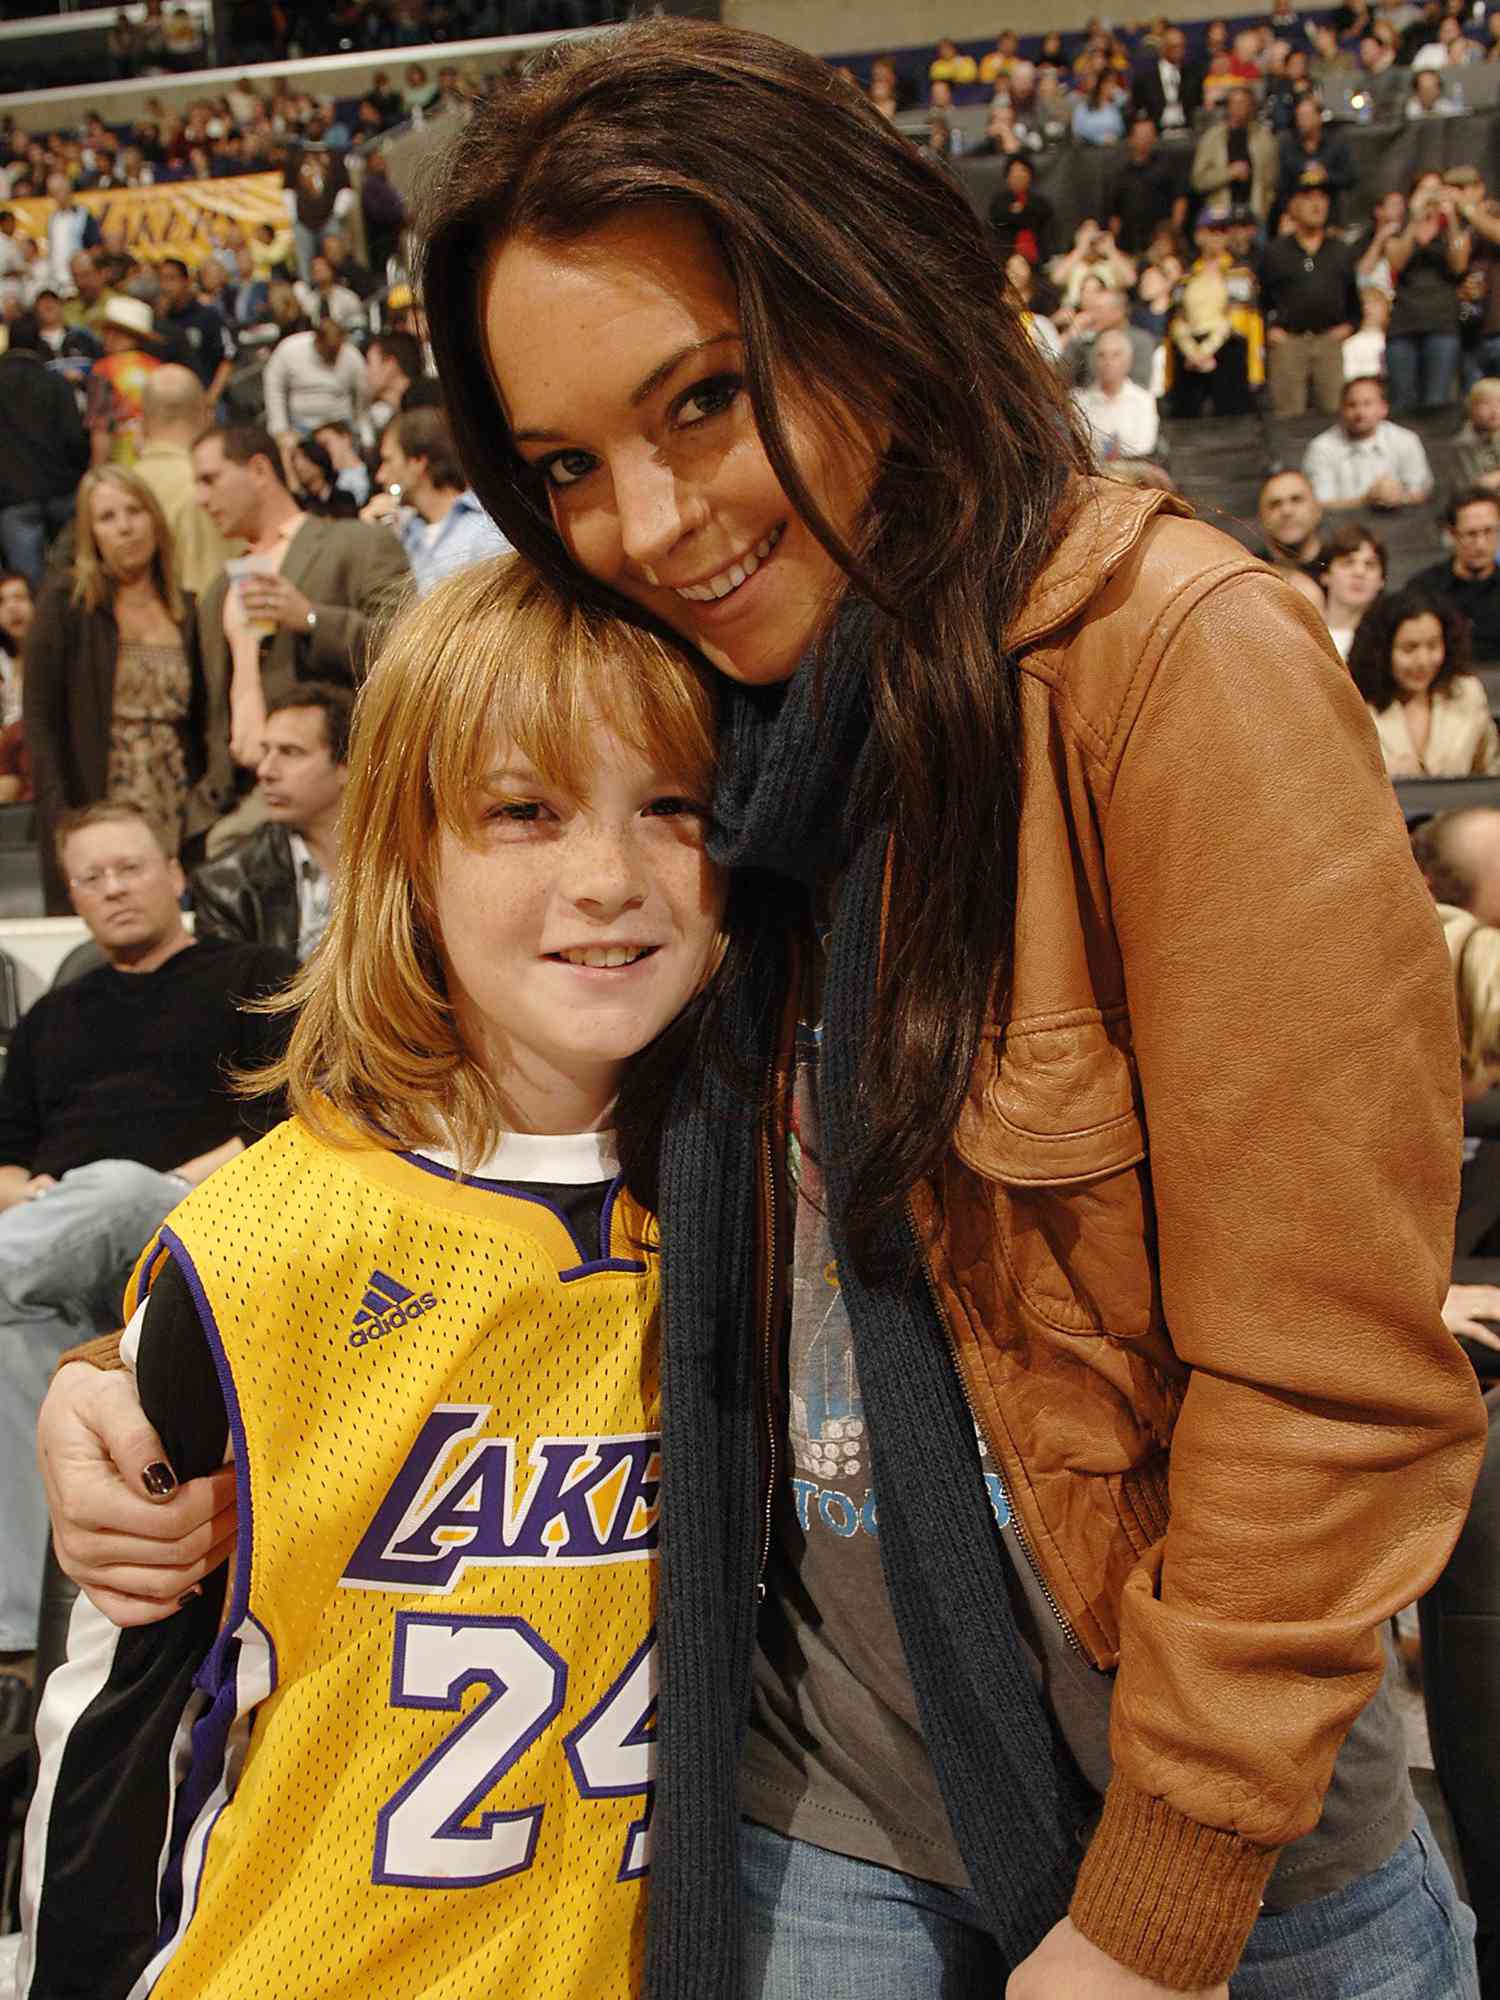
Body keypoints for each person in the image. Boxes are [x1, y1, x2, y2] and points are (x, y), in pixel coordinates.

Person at [41, 22, 1486, 2000]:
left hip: (1214, 1860)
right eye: (564, 466)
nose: (650, 519)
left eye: (704, 401)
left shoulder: (1172, 669)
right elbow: (466, 1163)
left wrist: (1155, 1914)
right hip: (805, 1807)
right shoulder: (706, 686)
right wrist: (138, 1380)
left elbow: (1332, 1381)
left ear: (865, 299)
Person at [18, 556, 728, 1999]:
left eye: (673, 805)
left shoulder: (774, 1206)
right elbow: (113, 1753)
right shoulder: (262, 1251)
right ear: (406, 853)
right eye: (524, 810)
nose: (608, 876)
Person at [0, 799, 292, 1728]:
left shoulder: (250, 974)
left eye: (129, 868)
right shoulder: (53, 1014)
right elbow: (8, 1159)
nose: (113, 889)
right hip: (63, 1226)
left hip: (198, 1211)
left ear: (175, 874)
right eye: (91, 877)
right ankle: (15, 1643)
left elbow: (293, 1124)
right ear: (74, 897)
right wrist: (39, 1198)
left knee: (118, 1184)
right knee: (14, 1316)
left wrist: (150, 1183)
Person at [24, 464, 212, 912]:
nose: (125, 527)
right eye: (107, 518)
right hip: (97, 804)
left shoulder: (185, 608)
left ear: (155, 519)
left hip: (176, 811)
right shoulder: (66, 605)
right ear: (92, 536)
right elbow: (41, 724)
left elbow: (202, 720)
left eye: (135, 511)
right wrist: (61, 824)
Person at [190, 420, 409, 794]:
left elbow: (409, 653)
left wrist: (312, 619)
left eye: (210, 479)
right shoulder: (217, 592)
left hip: (340, 791)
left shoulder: (358, 544)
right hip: (235, 798)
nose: (200, 497)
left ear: (259, 470)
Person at [189, 681, 351, 958]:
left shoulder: (411, 863)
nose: (265, 770)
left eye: (290, 752)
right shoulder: (226, 883)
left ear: (346, 767)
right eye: (266, 751)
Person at [1350, 585, 1500, 775]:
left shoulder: (1468, 693)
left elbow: (1490, 774)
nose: (1423, 661)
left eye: (1432, 646)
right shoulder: (1356, 705)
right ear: (1382, 652)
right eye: (1409, 648)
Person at [367, 406, 510, 592]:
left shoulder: (485, 529)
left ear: (418, 461)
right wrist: (373, 536)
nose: (380, 476)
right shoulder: (403, 531)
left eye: (388, 460)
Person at [135, 363, 242, 598]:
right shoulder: (214, 488)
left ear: (142, 419)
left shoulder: (116, 488)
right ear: (207, 413)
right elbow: (215, 592)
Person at [1260, 173, 1361, 418]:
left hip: (1329, 340)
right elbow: (1260, 299)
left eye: (1322, 197)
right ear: (1292, 206)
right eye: (1308, 198)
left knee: (1336, 414)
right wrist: (1270, 329)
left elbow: (1354, 301)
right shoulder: (1275, 252)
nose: (1317, 204)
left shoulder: (1340, 250)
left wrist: (1348, 327)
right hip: (1289, 342)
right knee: (1287, 415)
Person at [0, 312, 88, 587]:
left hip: (14, 498)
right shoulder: (57, 384)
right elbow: (75, 439)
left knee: (30, 590)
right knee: (73, 580)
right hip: (61, 492)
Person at [1386, 177, 1471, 412]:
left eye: (1436, 189)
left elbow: (1459, 265)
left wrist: (1451, 217)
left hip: (1442, 325)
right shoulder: (1400, 230)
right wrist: (1414, 218)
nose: (1431, 196)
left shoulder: (1450, 232)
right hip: (1404, 324)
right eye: (1425, 190)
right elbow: (1396, 262)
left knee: (1437, 403)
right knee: (1401, 403)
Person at [1303, 375, 1434, 510]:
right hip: (1342, 526)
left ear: (1384, 409)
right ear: (1341, 410)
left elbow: (1421, 493)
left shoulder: (1407, 440)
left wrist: (1399, 498)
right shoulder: (1321, 447)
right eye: (1351, 405)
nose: (1360, 413)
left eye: (1367, 404)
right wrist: (1366, 500)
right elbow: (1320, 504)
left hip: (1400, 523)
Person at [262, 316, 369, 463]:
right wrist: (280, 428)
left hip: (340, 425)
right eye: (328, 350)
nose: (332, 355)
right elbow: (274, 386)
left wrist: (362, 429)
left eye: (336, 350)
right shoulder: (290, 349)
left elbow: (362, 397)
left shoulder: (352, 357)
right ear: (317, 340)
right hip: (300, 428)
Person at [1410, 487, 1500, 661]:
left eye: (1488, 532)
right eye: (1471, 534)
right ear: (1452, 534)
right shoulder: (1423, 590)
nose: (1480, 544)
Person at [87, 293, 163, 469]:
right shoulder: (157, 368)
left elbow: (101, 428)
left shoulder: (103, 369)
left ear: (115, 333)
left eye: (105, 330)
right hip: (152, 460)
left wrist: (97, 472)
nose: (103, 336)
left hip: (120, 464)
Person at [1191, 87, 1279, 224]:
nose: (1239, 107)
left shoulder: (1265, 139)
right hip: (1220, 213)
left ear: (1252, 107)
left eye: (1244, 103)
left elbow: (1272, 181)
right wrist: (1230, 173)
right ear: (1228, 106)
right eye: (1235, 103)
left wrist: (1265, 206)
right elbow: (1198, 180)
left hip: (1254, 213)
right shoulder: (1212, 138)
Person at [1072, 327, 1159, 463]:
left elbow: (1145, 445)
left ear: (1129, 361)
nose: (1108, 362)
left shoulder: (1143, 399)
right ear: (1093, 360)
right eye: (1101, 355)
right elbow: (1078, 446)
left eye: (1116, 355)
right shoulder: (1078, 400)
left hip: (1134, 471)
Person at [153, 255, 230, 406]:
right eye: (161, 279)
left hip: (204, 397)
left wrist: (212, 397)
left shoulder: (207, 316)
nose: (165, 286)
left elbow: (227, 359)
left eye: (171, 279)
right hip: (169, 403)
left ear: (186, 281)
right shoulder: (157, 320)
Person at [1106, 115, 1187, 258]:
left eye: (1149, 134)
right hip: (1130, 242)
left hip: (1162, 241)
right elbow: (1114, 214)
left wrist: (1174, 231)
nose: (1145, 139)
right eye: (1141, 135)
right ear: (1131, 139)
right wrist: (1116, 242)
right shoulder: (1120, 174)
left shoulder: (1167, 167)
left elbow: (1180, 199)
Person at [1318, 519, 1386, 659]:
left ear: (1382, 581)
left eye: (1370, 565)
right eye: (1348, 563)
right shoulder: (1303, 633)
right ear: (1325, 575)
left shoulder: (1390, 641)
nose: (1359, 572)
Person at [1131, 22, 1203, 133]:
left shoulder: (1193, 75)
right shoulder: (1145, 78)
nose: (1179, 51)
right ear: (1163, 48)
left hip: (1187, 130)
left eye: (1182, 46)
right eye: (1174, 47)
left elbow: (1197, 104)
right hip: (1156, 133)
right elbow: (1137, 108)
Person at [1255, 468, 1325, 570]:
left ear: (1318, 509)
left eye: (1296, 499)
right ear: (1261, 517)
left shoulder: (1346, 566)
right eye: (1275, 504)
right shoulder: (1250, 574)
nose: (1286, 511)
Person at [0, 567, 33, 728]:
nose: (12, 607)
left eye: (19, 598)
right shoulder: (2, 660)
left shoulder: (57, 654)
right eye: (1, 602)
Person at [1456, 375, 1500, 493]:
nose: (1494, 410)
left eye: (1499, 402)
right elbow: (1475, 486)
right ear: (1472, 408)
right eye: (1486, 404)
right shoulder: (1463, 443)